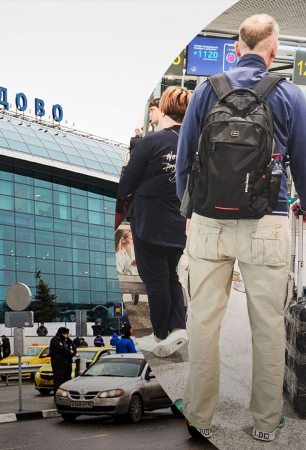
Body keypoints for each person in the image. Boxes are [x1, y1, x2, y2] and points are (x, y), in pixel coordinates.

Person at [174, 14, 306, 441]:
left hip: (208, 223)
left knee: (202, 322)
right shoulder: (290, 94)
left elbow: (185, 159)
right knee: (269, 327)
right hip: (268, 222)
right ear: (273, 52)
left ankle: (199, 417)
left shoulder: (206, 89)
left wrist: (191, 212)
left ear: (237, 48)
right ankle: (265, 422)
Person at [118, 86, 191, 357]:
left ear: (164, 108)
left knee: (155, 279)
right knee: (170, 274)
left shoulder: (152, 141)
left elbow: (127, 183)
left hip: (150, 222)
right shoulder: (193, 141)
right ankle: (177, 328)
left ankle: (160, 335)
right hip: (179, 222)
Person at [49, 327, 75, 394]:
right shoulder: (56, 340)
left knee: (67, 379)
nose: (67, 336)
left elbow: (74, 348)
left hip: (67, 362)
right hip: (58, 362)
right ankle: (57, 395)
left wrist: (72, 352)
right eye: (66, 334)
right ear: (62, 333)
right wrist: (69, 352)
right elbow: (61, 349)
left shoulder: (67, 340)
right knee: (59, 379)